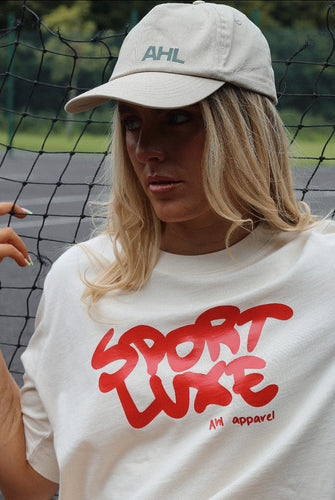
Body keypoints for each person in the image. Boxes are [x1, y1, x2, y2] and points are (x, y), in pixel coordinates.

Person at [0, 2, 334, 499]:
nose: (146, 148)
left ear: (245, 126)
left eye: (179, 118)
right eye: (132, 122)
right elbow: (29, 481)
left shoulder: (324, 273)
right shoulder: (80, 279)